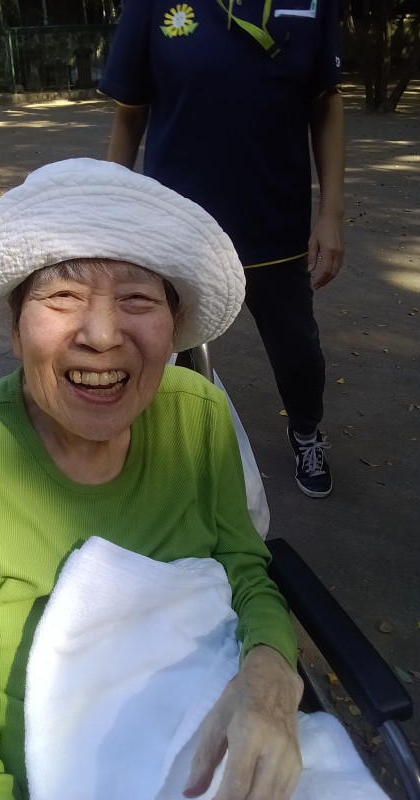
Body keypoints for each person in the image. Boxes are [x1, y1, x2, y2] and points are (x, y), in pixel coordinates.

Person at [0, 158, 304, 799]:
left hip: (209, 739)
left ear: (172, 327)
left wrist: (271, 675)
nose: (103, 336)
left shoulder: (198, 412)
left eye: (138, 299)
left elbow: (245, 571)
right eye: (62, 296)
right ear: (15, 324)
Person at [99, 0, 345, 498]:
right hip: (178, 230)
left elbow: (326, 102)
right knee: (169, 347)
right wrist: (108, 217)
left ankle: (306, 433)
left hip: (275, 227)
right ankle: (172, 445)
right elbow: (130, 116)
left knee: (298, 353)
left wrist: (332, 214)